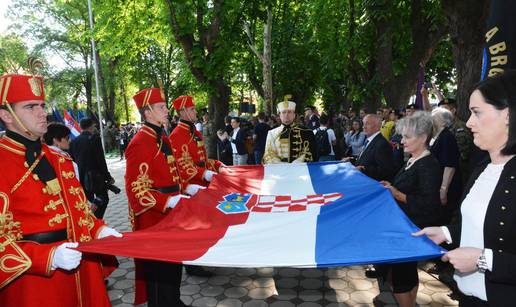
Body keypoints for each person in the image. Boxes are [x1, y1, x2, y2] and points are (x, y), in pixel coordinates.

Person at [0, 73, 121, 307]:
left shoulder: (59, 158)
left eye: (42, 105)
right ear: (6, 115)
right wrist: (46, 258)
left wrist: (100, 229)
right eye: (30, 106)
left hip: (81, 268)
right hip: (33, 281)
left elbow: (80, 212)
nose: (41, 112)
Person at [415, 71, 516, 306]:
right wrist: (446, 233)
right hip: (468, 297)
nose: (469, 122)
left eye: (476, 112)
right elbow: (481, 224)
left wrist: (483, 260)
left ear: (508, 115)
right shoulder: (481, 167)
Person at [126, 88, 197, 307]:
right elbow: (136, 188)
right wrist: (168, 201)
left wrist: (185, 189)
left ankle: (173, 300)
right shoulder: (140, 142)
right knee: (158, 269)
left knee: (173, 262)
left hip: (170, 213)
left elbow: (172, 172)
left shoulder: (161, 136)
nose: (167, 111)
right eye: (161, 107)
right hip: (153, 217)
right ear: (147, 113)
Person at [380, 111, 443, 307]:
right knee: (405, 274)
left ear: (423, 138)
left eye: (407, 137)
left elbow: (430, 204)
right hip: (404, 227)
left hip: (411, 230)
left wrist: (397, 194)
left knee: (401, 278)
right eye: (402, 136)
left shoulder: (428, 165)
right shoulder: (414, 160)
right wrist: (390, 187)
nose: (402, 140)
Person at [169, 95, 223, 277]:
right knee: (191, 228)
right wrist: (203, 174)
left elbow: (202, 159)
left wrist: (215, 165)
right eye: (191, 109)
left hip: (202, 184)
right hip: (191, 186)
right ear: (183, 112)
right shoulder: (177, 135)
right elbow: (181, 165)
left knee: (203, 225)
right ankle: (192, 265)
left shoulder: (194, 132)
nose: (195, 112)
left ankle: (200, 258)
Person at [70, 117, 114, 219]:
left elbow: (72, 160)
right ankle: (95, 220)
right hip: (96, 175)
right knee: (103, 198)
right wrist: (108, 177)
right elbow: (100, 160)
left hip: (81, 175)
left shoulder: (74, 141)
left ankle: (91, 219)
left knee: (91, 198)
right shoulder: (95, 139)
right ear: (92, 126)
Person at [430, 107, 462, 224]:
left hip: (448, 186)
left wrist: (443, 190)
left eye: (435, 116)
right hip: (438, 183)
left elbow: (450, 165)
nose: (431, 117)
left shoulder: (447, 137)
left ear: (444, 122)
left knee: (443, 217)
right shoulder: (437, 136)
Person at [263, 99, 317, 164]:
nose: (286, 115)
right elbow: (269, 154)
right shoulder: (272, 133)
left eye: (289, 112)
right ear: (279, 115)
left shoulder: (307, 132)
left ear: (294, 115)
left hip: (300, 170)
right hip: (278, 170)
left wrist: (297, 163)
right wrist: (281, 165)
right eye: (284, 112)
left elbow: (310, 151)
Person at [351, 114, 398, 181]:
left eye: (367, 124)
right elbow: (367, 159)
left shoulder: (382, 144)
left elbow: (386, 171)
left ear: (377, 126)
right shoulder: (369, 140)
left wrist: (364, 170)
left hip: (371, 184)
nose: (364, 127)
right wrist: (351, 160)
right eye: (363, 124)